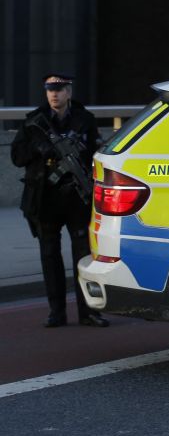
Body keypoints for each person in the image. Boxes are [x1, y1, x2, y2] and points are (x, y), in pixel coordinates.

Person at [11, 73, 109, 328]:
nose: (54, 94)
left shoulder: (84, 120)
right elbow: (17, 156)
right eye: (50, 89)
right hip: (45, 198)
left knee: (83, 257)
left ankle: (88, 312)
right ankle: (56, 312)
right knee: (49, 254)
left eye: (59, 89)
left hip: (77, 198)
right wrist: (38, 150)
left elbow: (96, 153)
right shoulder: (34, 121)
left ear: (69, 92)